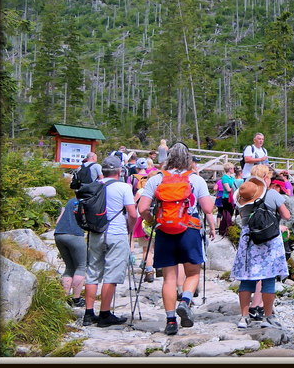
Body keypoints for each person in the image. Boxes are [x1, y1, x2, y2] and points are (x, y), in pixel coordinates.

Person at [137, 142, 216, 336]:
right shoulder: (195, 180)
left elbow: (142, 209)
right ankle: (185, 301)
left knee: (169, 278)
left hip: (164, 230)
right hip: (189, 230)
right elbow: (207, 209)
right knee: (193, 273)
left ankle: (171, 321)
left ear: (168, 157)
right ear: (188, 158)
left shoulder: (156, 179)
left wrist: (152, 221)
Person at [81, 156, 139, 327]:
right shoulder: (123, 187)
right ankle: (105, 314)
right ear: (119, 171)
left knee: (92, 272)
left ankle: (88, 313)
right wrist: (130, 230)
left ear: (103, 171)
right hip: (117, 232)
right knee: (111, 274)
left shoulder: (94, 186)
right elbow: (133, 214)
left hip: (95, 233)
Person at [231, 165, 291, 329]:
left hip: (249, 240)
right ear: (265, 177)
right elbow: (286, 215)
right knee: (268, 280)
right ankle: (268, 316)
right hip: (269, 240)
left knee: (247, 279)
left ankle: (244, 317)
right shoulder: (272, 194)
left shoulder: (243, 194)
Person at [54, 196, 87, 307]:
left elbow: (58, 220)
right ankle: (76, 299)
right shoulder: (87, 201)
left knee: (69, 267)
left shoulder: (71, 200)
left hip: (59, 234)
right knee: (81, 266)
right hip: (75, 235)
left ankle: (65, 298)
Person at [217, 162, 237, 236]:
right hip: (226, 197)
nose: (234, 170)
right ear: (230, 169)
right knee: (226, 214)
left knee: (231, 213)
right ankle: (224, 230)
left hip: (231, 197)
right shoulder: (225, 178)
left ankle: (227, 229)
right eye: (232, 168)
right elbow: (228, 189)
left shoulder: (232, 178)